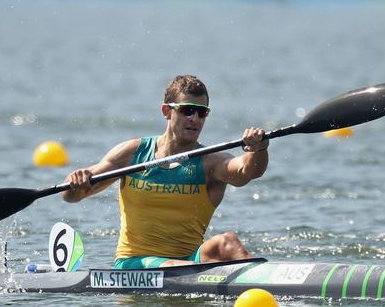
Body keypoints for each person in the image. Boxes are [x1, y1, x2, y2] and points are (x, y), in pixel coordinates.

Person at [61, 75, 269, 269]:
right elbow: (71, 196)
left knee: (227, 241)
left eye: (202, 112)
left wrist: (258, 149)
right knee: (174, 266)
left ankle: (262, 280)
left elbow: (246, 172)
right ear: (167, 111)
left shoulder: (210, 162)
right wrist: (77, 183)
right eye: (187, 110)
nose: (195, 119)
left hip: (189, 260)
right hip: (135, 262)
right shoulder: (132, 153)